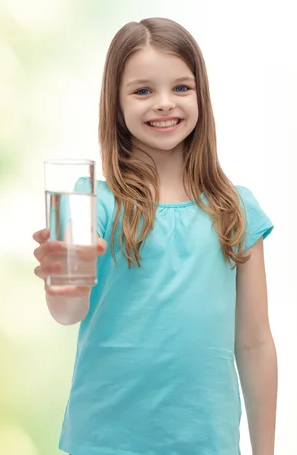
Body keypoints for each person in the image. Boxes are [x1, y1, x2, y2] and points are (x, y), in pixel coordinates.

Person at [32, 17, 278, 455]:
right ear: (117, 103)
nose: (164, 103)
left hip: (206, 443)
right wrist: (61, 277)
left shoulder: (236, 211)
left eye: (181, 88)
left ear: (201, 94)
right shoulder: (94, 204)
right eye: (143, 90)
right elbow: (68, 311)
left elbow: (255, 342)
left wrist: (265, 451)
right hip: (103, 441)